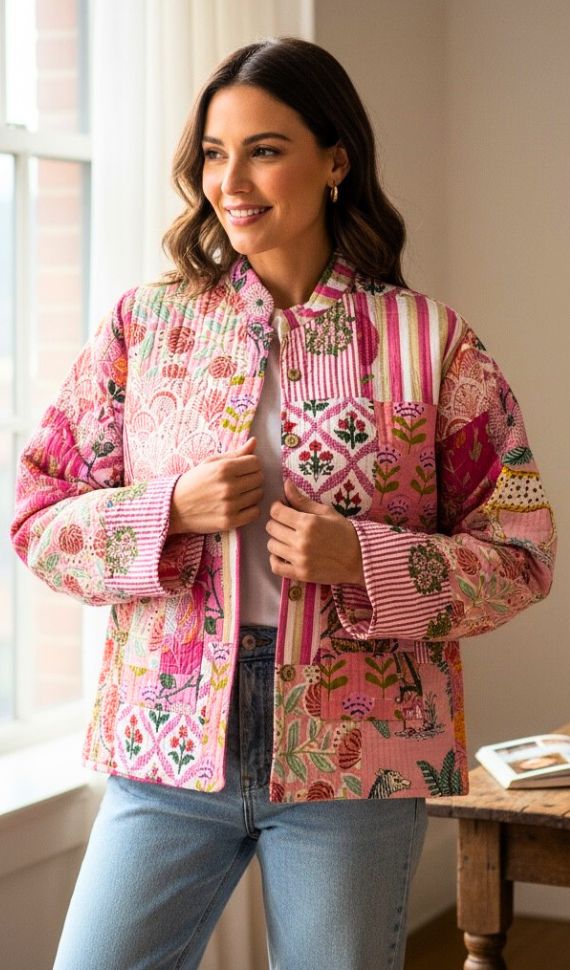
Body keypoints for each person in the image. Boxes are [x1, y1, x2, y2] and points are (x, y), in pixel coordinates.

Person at [11, 36, 556, 970]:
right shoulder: (145, 329)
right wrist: (166, 511)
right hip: (164, 742)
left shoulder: (432, 344)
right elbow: (36, 516)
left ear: (335, 160)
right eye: (214, 154)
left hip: (359, 755)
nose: (231, 182)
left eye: (264, 150)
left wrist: (364, 559)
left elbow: (523, 551)